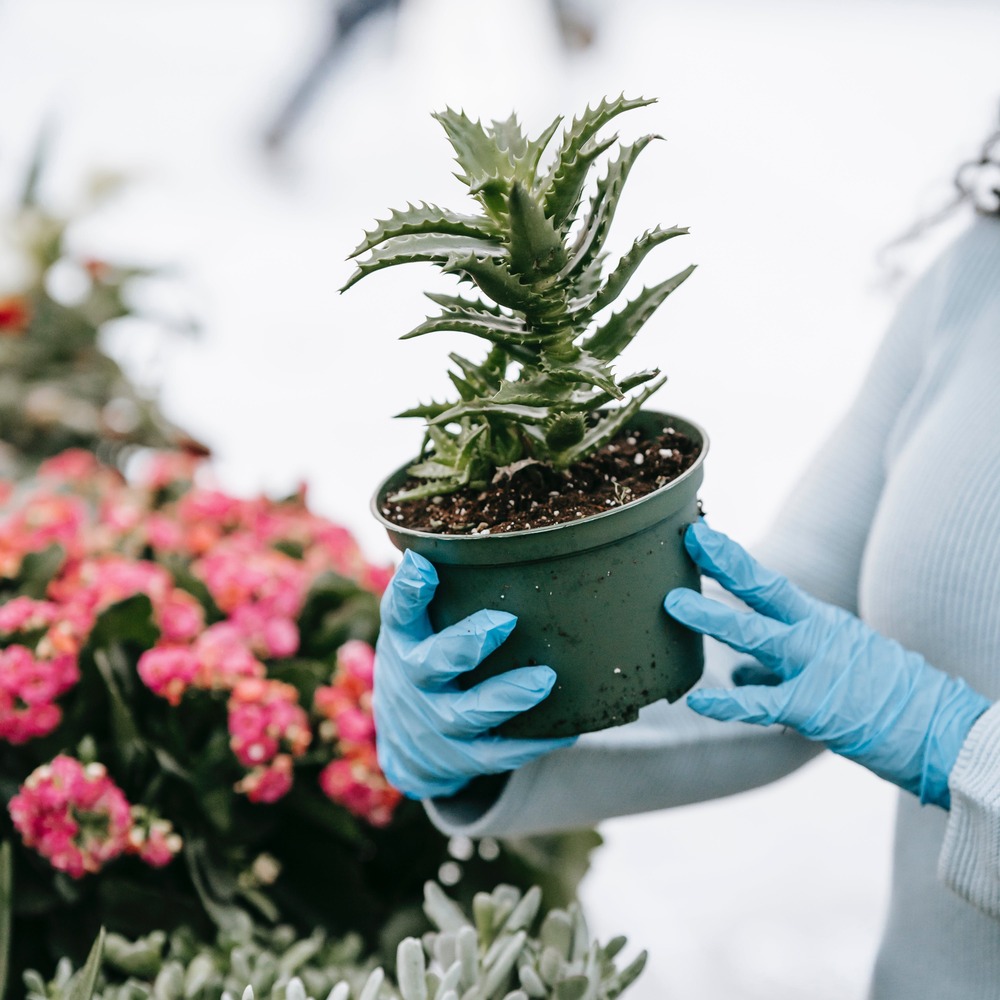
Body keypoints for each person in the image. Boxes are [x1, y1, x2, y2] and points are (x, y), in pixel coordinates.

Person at [371, 129, 1000, 998]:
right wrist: (496, 729)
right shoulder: (979, 272)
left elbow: (874, 693)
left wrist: (959, 746)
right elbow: (773, 638)